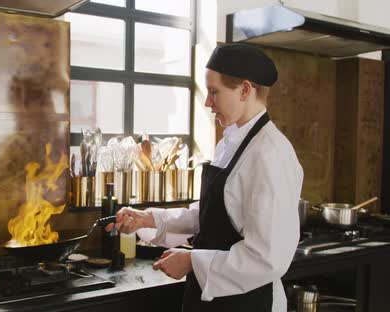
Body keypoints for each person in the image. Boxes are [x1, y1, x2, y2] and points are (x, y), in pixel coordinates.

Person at [105, 43, 303, 312]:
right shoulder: (230, 142)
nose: (208, 102)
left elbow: (267, 258)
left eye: (214, 92)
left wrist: (192, 262)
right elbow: (210, 216)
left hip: (247, 302)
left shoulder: (270, 155)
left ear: (245, 90)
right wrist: (148, 219)